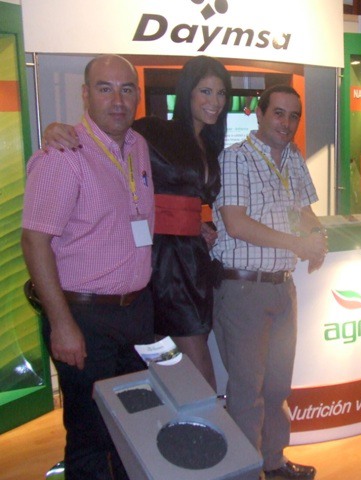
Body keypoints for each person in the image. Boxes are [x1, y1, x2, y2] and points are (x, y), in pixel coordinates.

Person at [43, 56, 232, 390]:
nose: (214, 101)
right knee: (195, 368)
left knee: (170, 371)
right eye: (205, 91)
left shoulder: (210, 143)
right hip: (164, 266)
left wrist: (197, 225)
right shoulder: (154, 131)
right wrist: (55, 129)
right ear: (187, 92)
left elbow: (177, 198)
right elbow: (110, 132)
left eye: (220, 93)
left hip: (192, 262)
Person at [22, 54, 155, 479]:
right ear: (85, 94)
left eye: (126, 89)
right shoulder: (62, 156)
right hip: (84, 316)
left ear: (137, 95)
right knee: (90, 436)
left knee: (135, 427)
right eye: (104, 88)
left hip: (135, 313)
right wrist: (62, 324)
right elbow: (34, 242)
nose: (117, 100)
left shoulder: (138, 146)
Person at [212, 84, 327, 479]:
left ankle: (273, 464)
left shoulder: (294, 158)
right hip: (244, 288)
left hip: (282, 286)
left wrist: (316, 237)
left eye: (293, 116)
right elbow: (236, 223)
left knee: (278, 387)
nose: (286, 123)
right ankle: (247, 474)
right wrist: (297, 243)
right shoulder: (235, 158)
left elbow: (304, 211)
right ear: (259, 114)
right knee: (248, 392)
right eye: (278, 113)